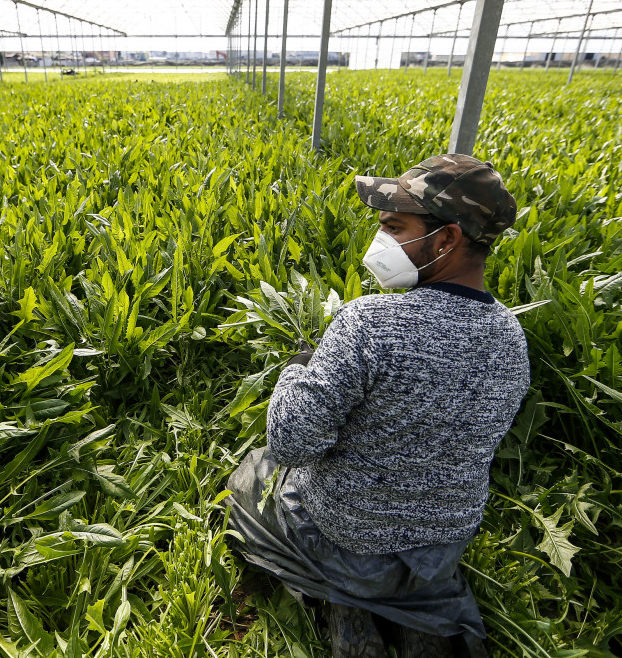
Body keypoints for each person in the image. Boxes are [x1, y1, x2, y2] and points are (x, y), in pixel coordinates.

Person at [224, 154, 530, 658]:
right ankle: (410, 617)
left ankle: (344, 602)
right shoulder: (510, 335)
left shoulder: (368, 321)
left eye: (393, 225)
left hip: (347, 543)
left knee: (256, 475)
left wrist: (295, 372)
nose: (380, 240)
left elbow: (292, 441)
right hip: (439, 552)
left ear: (447, 239)